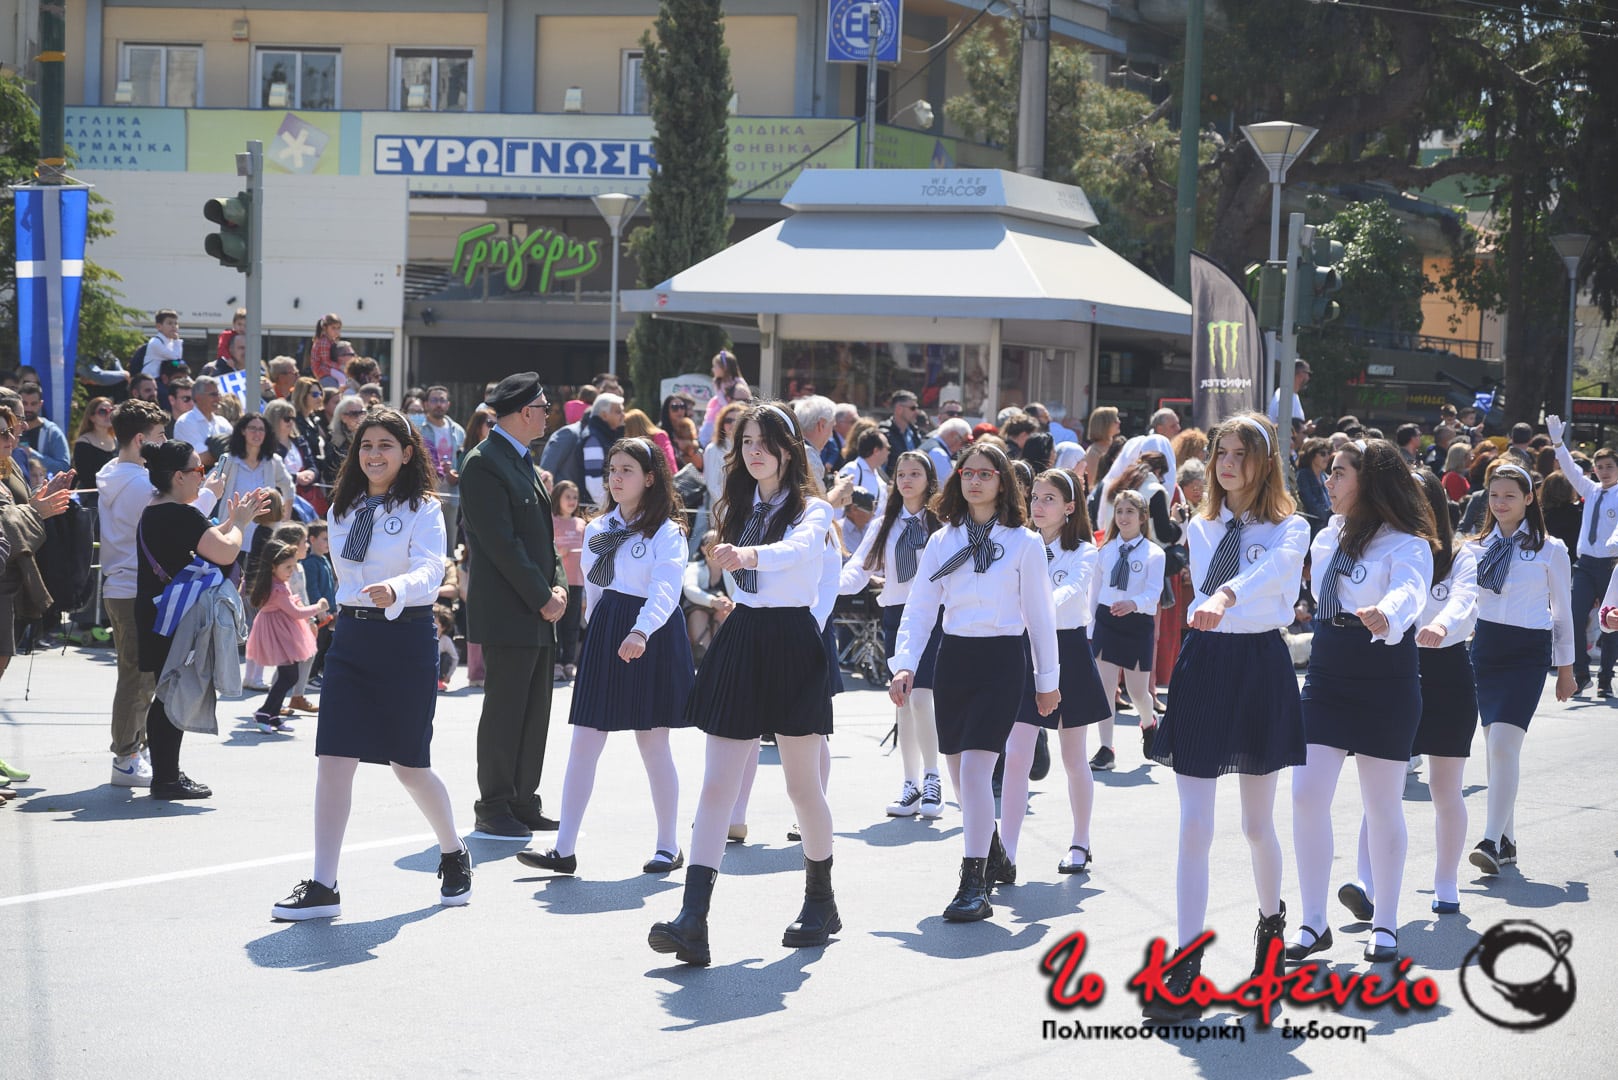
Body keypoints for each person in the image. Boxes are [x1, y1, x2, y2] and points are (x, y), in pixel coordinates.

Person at [648, 403, 836, 966]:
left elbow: (797, 552)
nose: (754, 451)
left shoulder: (815, 510)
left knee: (802, 787)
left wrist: (747, 553)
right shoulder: (735, 506)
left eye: (765, 441)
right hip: (743, 636)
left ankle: (821, 901)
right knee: (716, 787)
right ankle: (692, 919)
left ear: (788, 449)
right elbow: (733, 575)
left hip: (793, 640)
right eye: (746, 440)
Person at [270, 407, 471, 919]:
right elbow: (348, 576)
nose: (374, 454)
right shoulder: (344, 507)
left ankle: (453, 850)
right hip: (353, 637)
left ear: (407, 453)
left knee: (410, 766)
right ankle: (324, 884)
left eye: (385, 445)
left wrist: (397, 589)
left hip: (406, 636)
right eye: (366, 445)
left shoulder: (424, 508)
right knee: (334, 760)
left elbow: (431, 567)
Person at [1142, 413, 1308, 1021]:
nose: (1229, 464)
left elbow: (1274, 576)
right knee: (1194, 826)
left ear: (1265, 462)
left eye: (1242, 453)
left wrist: (1228, 595)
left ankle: (1271, 932)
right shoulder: (1202, 524)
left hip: (1260, 663)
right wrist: (1217, 601)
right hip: (1206, 662)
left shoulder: (1293, 527)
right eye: (1222, 453)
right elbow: (1210, 590)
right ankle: (1186, 962)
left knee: (1257, 825)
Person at [888, 442, 1061, 923]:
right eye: (968, 473)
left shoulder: (1024, 543)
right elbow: (920, 606)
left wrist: (1047, 680)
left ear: (1002, 482)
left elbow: (1041, 617)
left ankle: (973, 883)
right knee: (958, 770)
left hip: (1002, 659)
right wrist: (904, 664)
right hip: (954, 659)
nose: (976, 481)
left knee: (975, 771)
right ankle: (995, 852)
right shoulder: (942, 541)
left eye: (986, 474)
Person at [1286, 440, 1436, 967]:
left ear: (1368, 481)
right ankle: (1313, 921)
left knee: (1382, 804)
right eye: (1328, 473)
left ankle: (1386, 923)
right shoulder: (1326, 536)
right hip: (1327, 673)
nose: (1327, 482)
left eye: (1339, 473)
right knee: (1306, 796)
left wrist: (1387, 612)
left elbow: (1411, 591)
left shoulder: (1407, 544)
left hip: (1385, 676)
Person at [518, 437, 695, 875]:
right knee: (584, 741)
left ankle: (668, 846)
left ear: (650, 478)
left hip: (651, 631)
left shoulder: (667, 531)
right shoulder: (597, 528)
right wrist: (596, 632)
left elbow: (666, 589)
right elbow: (595, 592)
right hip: (609, 629)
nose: (615, 478)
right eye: (612, 470)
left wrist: (640, 630)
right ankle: (563, 850)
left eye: (626, 470)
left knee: (652, 743)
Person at [459, 375, 570, 840]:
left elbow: (544, 540)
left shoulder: (520, 459)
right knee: (505, 711)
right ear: (525, 412)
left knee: (534, 711)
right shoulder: (484, 462)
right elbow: (501, 544)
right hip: (511, 611)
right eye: (543, 407)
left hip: (537, 609)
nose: (548, 414)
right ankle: (494, 804)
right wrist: (543, 596)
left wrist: (558, 586)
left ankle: (523, 800)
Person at [136, 441, 267, 799]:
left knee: (168, 693)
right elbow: (225, 550)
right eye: (198, 470)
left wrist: (233, 520)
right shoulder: (180, 513)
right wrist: (241, 523)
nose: (204, 476)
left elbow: (208, 538)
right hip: (174, 616)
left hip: (158, 612)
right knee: (172, 695)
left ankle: (166, 774)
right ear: (178, 477)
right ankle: (166, 780)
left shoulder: (158, 509)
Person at [998, 468, 1111, 879]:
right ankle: (1006, 852)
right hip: (1025, 650)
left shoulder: (1084, 550)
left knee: (1073, 757)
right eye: (1035, 497)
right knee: (1016, 756)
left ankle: (1080, 841)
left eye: (1049, 499)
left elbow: (1072, 590)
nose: (1039, 506)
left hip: (1069, 651)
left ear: (1069, 507)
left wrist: (1036, 607)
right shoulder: (1019, 544)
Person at [1465, 461, 1575, 877]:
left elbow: (1562, 612)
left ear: (1529, 498)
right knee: (1495, 748)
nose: (1500, 502)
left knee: (1503, 746)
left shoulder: (1551, 549)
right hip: (1486, 649)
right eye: (1494, 495)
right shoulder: (1475, 547)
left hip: (1528, 652)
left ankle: (1490, 841)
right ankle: (1507, 841)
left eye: (1510, 495)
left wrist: (1566, 669)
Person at [98, 400, 200, 787]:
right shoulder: (141, 484)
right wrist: (209, 493)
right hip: (132, 588)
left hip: (121, 584)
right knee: (138, 678)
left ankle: (132, 752)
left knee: (139, 676)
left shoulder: (114, 472)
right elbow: (179, 517)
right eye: (159, 436)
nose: (164, 442)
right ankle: (126, 758)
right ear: (140, 440)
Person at [839, 450, 945, 818]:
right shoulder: (884, 523)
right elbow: (859, 568)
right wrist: (823, 587)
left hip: (935, 616)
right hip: (896, 615)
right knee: (903, 700)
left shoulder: (943, 524)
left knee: (922, 698)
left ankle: (933, 779)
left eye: (915, 474)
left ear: (928, 480)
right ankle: (910, 784)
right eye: (901, 474)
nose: (907, 480)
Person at [1088, 490, 1167, 772]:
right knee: (1105, 689)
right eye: (1119, 511)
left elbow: (1154, 593)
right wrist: (1090, 627)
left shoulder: (1154, 553)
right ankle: (1106, 748)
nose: (1123, 517)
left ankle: (1149, 723)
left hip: (1136, 624)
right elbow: (1095, 591)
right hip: (1107, 621)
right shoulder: (1105, 550)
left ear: (1143, 517)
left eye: (1130, 512)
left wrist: (1133, 604)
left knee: (1137, 692)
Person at [1546, 415, 1618, 695]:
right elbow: (1570, 469)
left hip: (1610, 565)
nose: (1604, 471)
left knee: (1609, 622)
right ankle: (1581, 672)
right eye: (1600, 467)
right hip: (1586, 564)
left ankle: (1605, 678)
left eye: (1610, 466)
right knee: (1573, 617)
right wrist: (1557, 443)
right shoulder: (1590, 489)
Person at [245, 539, 326, 732]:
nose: (292, 570)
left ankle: (272, 715)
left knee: (288, 676)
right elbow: (296, 613)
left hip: (282, 632)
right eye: (288, 567)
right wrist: (318, 607)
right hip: (280, 635)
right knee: (289, 676)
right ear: (273, 567)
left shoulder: (278, 583)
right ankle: (265, 712)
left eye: (293, 566)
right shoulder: (278, 588)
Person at [550, 480, 587, 681]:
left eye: (575, 497)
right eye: (568, 497)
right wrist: (558, 551)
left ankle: (569, 662)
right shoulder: (552, 520)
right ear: (558, 498)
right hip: (557, 582)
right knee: (557, 623)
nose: (572, 501)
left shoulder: (581, 523)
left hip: (577, 581)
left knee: (572, 624)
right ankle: (555, 662)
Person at [414, 385, 465, 504]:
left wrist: (456, 474)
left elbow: (463, 461)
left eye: (442, 400)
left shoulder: (458, 431)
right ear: (426, 404)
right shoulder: (418, 430)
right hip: (426, 494)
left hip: (452, 494)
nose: (438, 404)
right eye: (434, 400)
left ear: (448, 404)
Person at [71, 398, 118, 508]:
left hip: (116, 496)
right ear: (91, 417)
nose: (108, 415)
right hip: (93, 500)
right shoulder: (83, 443)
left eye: (112, 411)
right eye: (102, 411)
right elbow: (87, 478)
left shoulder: (117, 440)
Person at [18, 382, 70, 476]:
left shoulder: (52, 432)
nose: (28, 408)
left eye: (33, 404)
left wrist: (32, 453)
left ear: (40, 404)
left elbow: (64, 467)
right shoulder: (10, 429)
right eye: (24, 403)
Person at [697, 350, 748, 445]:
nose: (713, 369)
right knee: (709, 427)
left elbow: (745, 399)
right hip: (719, 409)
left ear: (724, 368)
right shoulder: (718, 382)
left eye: (715, 366)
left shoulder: (739, 383)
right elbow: (720, 399)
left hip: (731, 411)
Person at [174, 375, 233, 457]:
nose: (218, 399)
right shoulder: (185, 422)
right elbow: (199, 458)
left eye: (218, 394)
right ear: (198, 397)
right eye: (213, 394)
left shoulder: (222, 422)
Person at [623, 408, 677, 474]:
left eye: (626, 427)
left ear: (633, 428)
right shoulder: (634, 445)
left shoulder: (659, 436)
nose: (625, 432)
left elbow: (670, 462)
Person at [879, 389, 923, 458]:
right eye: (913, 408)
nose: (916, 412)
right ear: (899, 409)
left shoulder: (915, 433)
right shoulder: (884, 434)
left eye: (917, 408)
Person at [142, 309, 184, 380]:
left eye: (176, 323)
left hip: (163, 379)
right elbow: (175, 358)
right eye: (170, 323)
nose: (174, 326)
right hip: (151, 379)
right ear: (159, 326)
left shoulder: (171, 342)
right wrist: (177, 341)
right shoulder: (155, 342)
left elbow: (177, 362)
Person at [1267, 359, 1310, 427]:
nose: (1308, 378)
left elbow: (1293, 427)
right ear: (1301, 374)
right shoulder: (1284, 394)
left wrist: (1305, 427)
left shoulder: (1292, 395)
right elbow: (1283, 425)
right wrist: (1305, 428)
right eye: (1308, 373)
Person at [308, 314, 344, 387]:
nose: (336, 331)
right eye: (333, 328)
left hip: (327, 368)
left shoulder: (330, 341)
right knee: (342, 378)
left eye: (338, 328)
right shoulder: (324, 342)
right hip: (322, 369)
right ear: (325, 328)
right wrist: (340, 366)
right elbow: (326, 361)